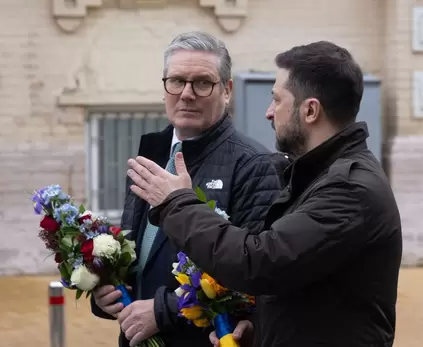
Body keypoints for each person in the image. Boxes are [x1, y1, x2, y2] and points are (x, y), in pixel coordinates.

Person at [126, 40, 403, 347]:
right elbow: (298, 286)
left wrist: (176, 203)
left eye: (277, 100)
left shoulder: (350, 189)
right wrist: (258, 331)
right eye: (176, 81)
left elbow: (258, 263)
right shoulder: (316, 176)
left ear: (310, 110)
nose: (269, 113)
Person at [89, 31, 288, 347]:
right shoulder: (150, 153)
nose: (186, 94)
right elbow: (137, 254)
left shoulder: (256, 165)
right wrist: (106, 291)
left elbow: (253, 276)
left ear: (227, 90)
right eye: (177, 81)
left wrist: (162, 311)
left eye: (203, 83)